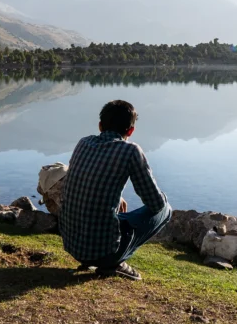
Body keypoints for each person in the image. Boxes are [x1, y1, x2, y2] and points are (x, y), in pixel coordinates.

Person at [60, 100, 171, 281]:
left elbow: (91, 179)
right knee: (165, 208)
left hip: (73, 246)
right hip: (102, 252)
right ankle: (115, 262)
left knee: (117, 215)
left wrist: (117, 197)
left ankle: (104, 257)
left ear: (100, 125)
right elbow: (155, 203)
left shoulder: (83, 143)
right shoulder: (130, 151)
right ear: (130, 131)